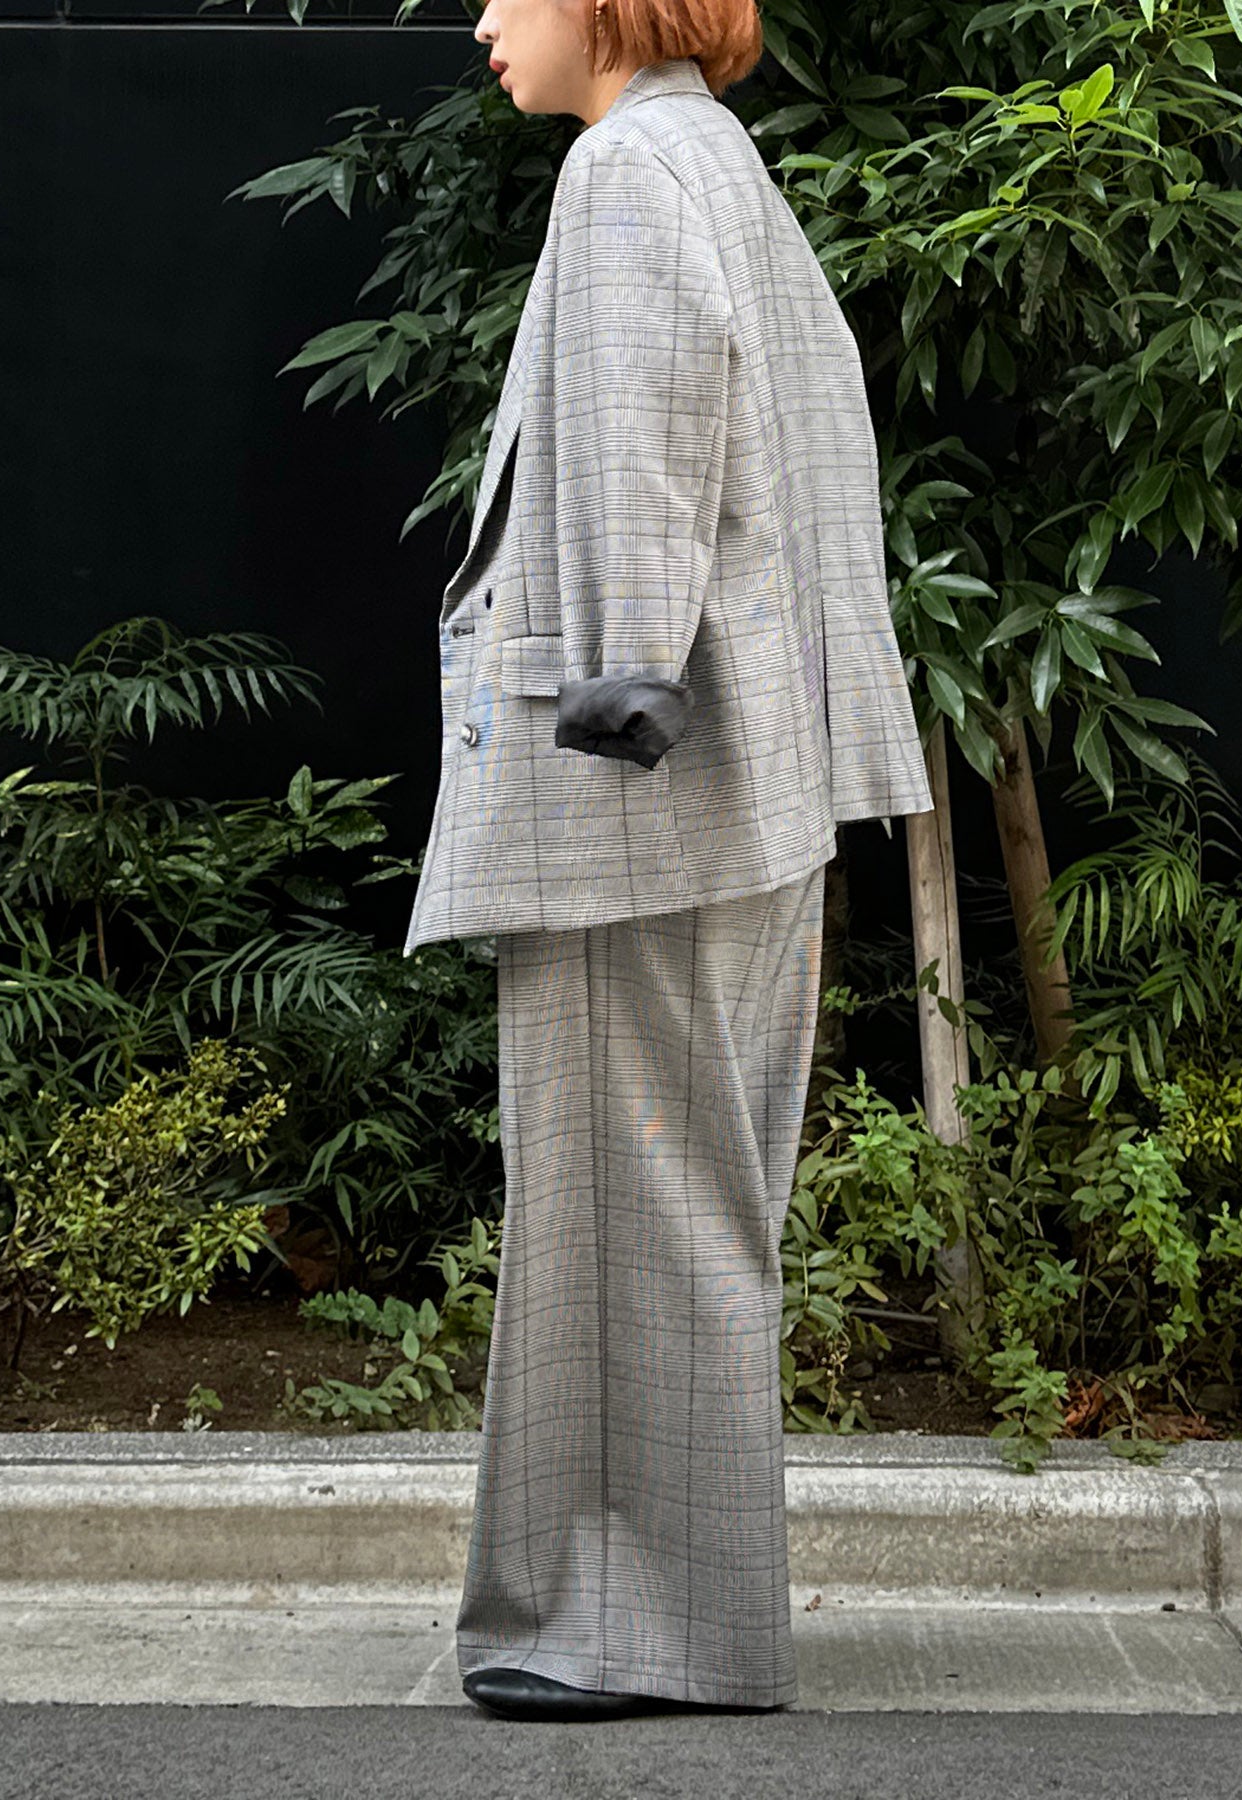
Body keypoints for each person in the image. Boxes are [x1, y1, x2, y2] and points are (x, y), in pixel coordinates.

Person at [402, 0, 934, 1723]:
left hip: (637, 791)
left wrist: (624, 667)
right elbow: (813, 460)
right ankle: (669, 1614)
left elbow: (645, 430)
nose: (486, 19)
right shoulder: (720, 160)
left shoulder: (630, 170)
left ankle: (628, 1628)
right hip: (748, 784)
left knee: (620, 1206)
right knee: (696, 1206)